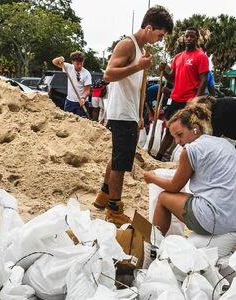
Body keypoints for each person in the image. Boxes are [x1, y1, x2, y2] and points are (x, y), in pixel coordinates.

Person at [93, 6, 173, 226]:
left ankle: (104, 195)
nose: (160, 39)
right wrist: (138, 66)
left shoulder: (140, 48)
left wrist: (139, 115)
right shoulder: (128, 44)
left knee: (118, 155)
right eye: (160, 34)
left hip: (129, 113)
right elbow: (108, 74)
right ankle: (114, 209)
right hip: (121, 113)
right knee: (121, 163)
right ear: (149, 28)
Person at [143, 104, 236, 236]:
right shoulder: (224, 143)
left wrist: (152, 178)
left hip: (215, 221)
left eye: (180, 135)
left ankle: (154, 243)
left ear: (195, 129)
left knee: (163, 197)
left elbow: (174, 187)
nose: (177, 141)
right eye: (174, 137)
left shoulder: (190, 150)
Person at [155, 27, 212, 161]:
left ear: (197, 38)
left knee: (190, 130)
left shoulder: (201, 56)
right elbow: (173, 79)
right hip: (176, 99)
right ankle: (159, 156)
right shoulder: (178, 57)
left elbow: (204, 79)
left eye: (191, 36)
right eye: (186, 36)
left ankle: (189, 159)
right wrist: (163, 71)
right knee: (170, 128)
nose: (188, 39)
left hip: (189, 100)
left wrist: (196, 100)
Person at [52, 51, 92, 118]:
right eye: (77, 64)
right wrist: (60, 58)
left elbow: (87, 90)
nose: (79, 66)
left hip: (82, 102)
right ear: (72, 62)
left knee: (81, 122)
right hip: (70, 101)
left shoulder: (86, 73)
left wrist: (83, 98)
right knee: (67, 120)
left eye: (81, 64)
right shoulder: (68, 67)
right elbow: (54, 62)